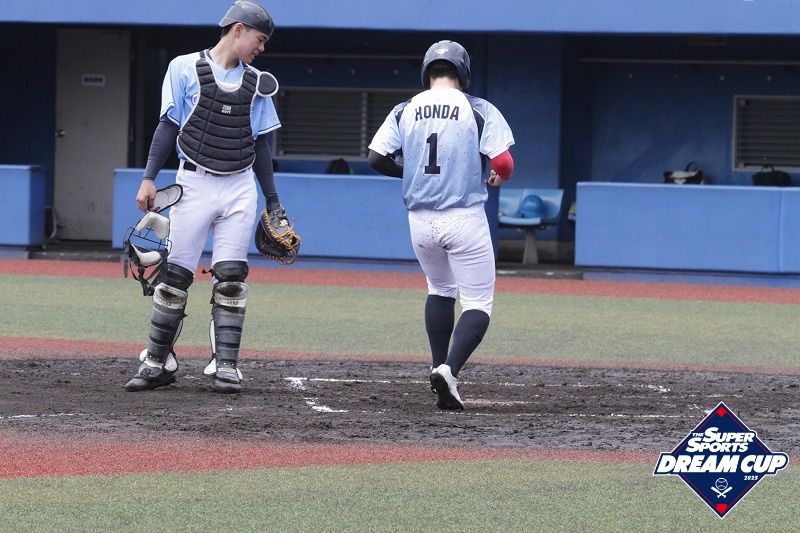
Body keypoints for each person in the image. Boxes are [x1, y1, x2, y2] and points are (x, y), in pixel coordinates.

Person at [125, 0, 287, 394]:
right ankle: (157, 362)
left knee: (231, 277)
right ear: (238, 29)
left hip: (239, 186)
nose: (261, 47)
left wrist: (273, 200)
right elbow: (168, 125)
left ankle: (225, 366)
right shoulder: (184, 67)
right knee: (174, 277)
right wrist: (148, 178)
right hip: (193, 182)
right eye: (259, 39)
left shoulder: (258, 83)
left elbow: (261, 145)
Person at [367, 40, 515, 410]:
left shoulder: (404, 109)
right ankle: (450, 370)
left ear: (427, 71)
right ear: (463, 73)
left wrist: (410, 173)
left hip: (420, 221)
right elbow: (503, 163)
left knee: (440, 289)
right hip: (463, 217)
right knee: (477, 302)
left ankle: (437, 366)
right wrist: (498, 176)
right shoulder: (478, 107)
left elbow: (375, 158)